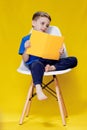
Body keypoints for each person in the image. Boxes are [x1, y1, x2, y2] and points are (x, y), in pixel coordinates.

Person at [18, 11, 77, 100]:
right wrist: (26, 48)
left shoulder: (49, 38)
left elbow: (54, 55)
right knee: (36, 64)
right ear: (33, 23)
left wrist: (59, 52)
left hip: (49, 62)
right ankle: (38, 89)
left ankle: (52, 68)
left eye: (47, 25)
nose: (45, 27)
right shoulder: (26, 39)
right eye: (42, 23)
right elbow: (25, 60)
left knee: (73, 60)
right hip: (37, 63)